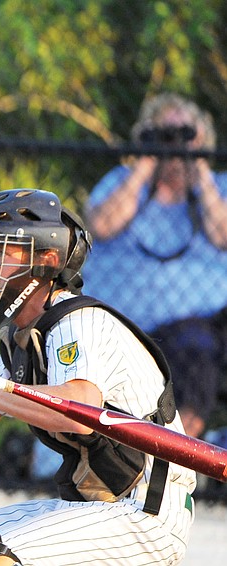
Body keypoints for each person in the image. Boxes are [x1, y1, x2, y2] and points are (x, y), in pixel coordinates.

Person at [0, 189, 196, 565]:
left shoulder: (78, 321)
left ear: (47, 259)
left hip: (145, 514)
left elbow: (76, 411)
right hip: (94, 510)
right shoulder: (27, 334)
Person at [83, 92, 227, 439]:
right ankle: (169, 450)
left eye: (185, 134)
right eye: (165, 134)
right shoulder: (123, 181)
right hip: (126, 327)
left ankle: (185, 448)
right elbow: (101, 224)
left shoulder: (216, 188)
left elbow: (223, 234)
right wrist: (145, 164)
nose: (175, 146)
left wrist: (199, 167)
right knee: (193, 348)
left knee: (198, 348)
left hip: (202, 329)